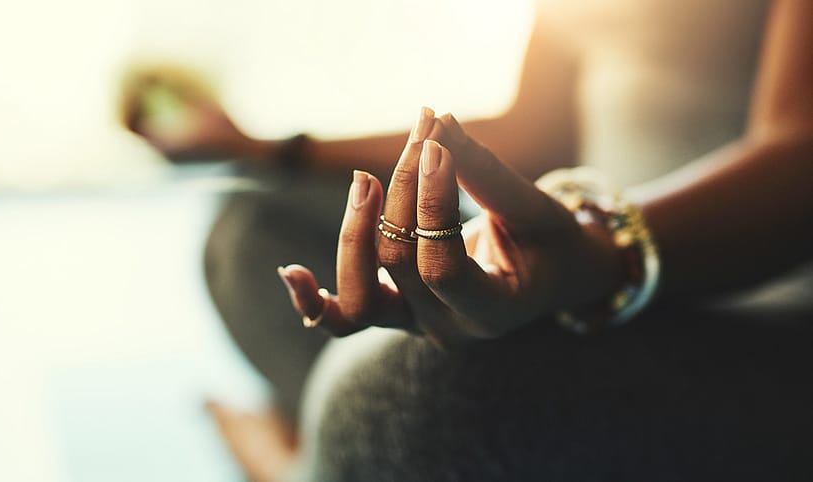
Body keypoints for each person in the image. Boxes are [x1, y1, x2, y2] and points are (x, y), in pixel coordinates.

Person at [126, 0, 813, 480]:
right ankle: (338, 454)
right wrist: (271, 149)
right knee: (253, 227)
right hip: (584, 249)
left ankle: (298, 463)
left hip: (757, 306)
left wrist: (597, 253)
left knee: (413, 394)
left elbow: (801, 157)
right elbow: (531, 133)